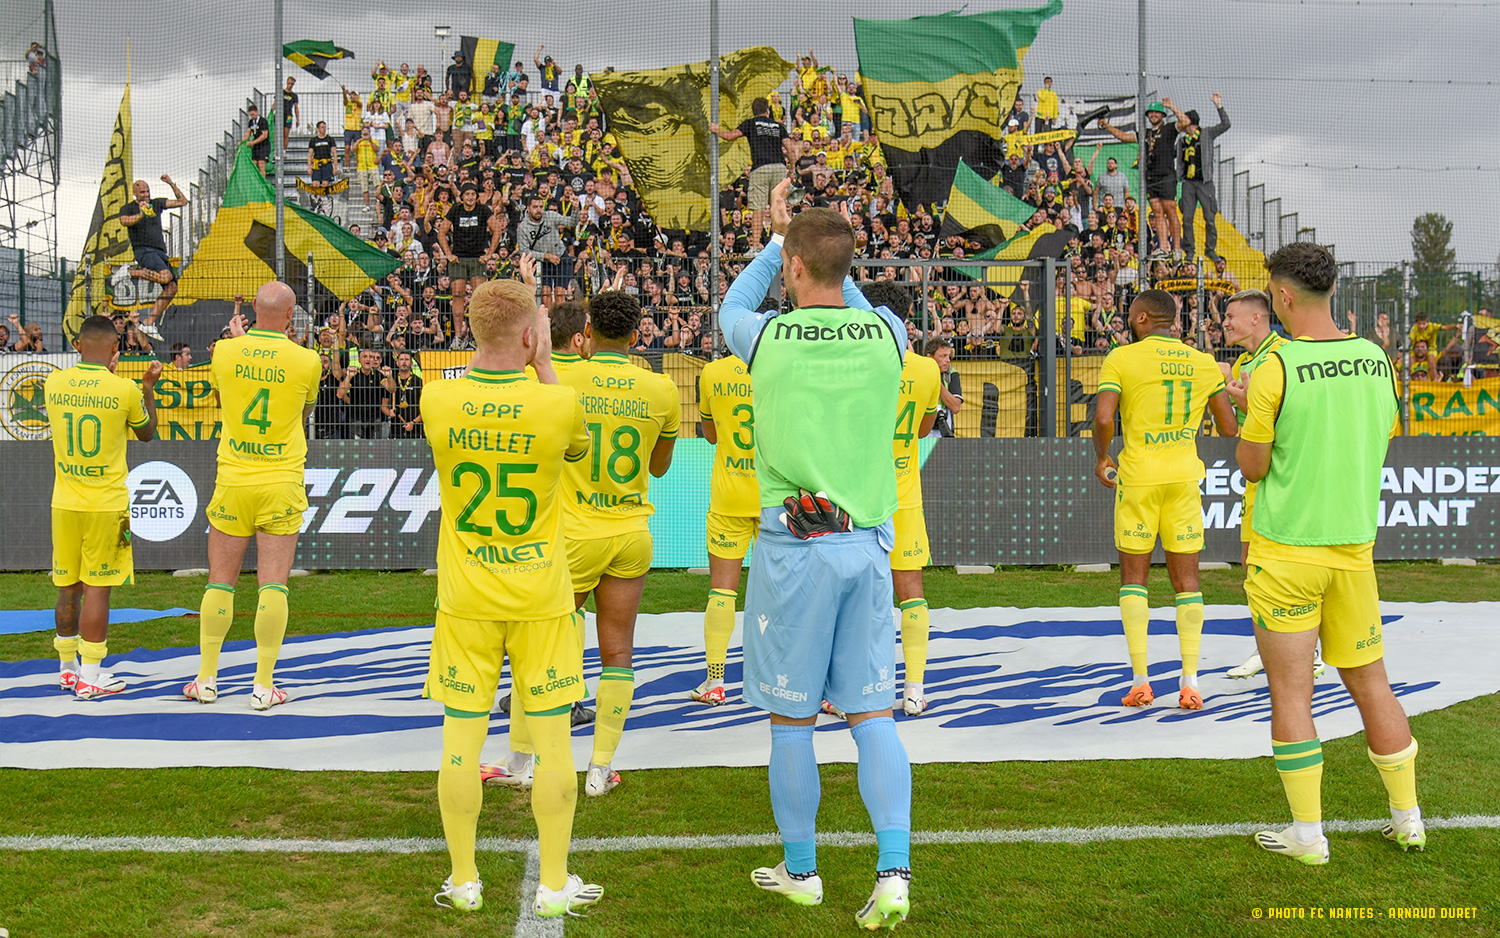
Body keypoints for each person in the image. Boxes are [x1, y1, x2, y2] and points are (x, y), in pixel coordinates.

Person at [719, 180, 913, 929]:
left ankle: (803, 871)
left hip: (792, 551)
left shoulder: (765, 336)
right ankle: (893, 870)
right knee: (872, 715)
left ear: (794, 269)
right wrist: (826, 253)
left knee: (792, 725)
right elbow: (848, 296)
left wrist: (775, 239)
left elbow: (731, 305)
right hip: (867, 549)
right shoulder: (888, 332)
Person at [419, 260, 604, 917]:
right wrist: (546, 362)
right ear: (532, 336)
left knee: (460, 743)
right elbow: (578, 453)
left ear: (472, 329)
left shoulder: (435, 397)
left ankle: (464, 879)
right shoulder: (557, 402)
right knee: (554, 744)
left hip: (466, 600)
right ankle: (555, 881)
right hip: (541, 599)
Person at [1235, 242, 1424, 864]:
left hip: (1286, 551)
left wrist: (1248, 415)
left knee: (1291, 696)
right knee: (1373, 684)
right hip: (1353, 550)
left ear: (1283, 297)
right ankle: (1409, 819)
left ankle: (1309, 837)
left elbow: (1254, 465)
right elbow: (1378, 435)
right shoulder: (1376, 359)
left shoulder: (1276, 367)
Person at [542, 290, 680, 797]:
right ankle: (600, 769)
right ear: (637, 336)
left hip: (574, 533)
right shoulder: (661, 389)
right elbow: (659, 468)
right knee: (618, 653)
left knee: (552, 647)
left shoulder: (562, 376)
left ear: (588, 334)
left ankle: (541, 758)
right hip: (630, 531)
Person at [1092, 289, 1238, 710]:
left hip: (1138, 480)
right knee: (1187, 583)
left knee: (1134, 580)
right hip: (1183, 480)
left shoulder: (1122, 358)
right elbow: (1228, 427)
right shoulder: (1203, 362)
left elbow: (1104, 417)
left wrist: (1103, 457)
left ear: (1140, 319)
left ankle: (1141, 682)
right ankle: (1190, 682)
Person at [184, 283, 321, 710]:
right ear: (291, 316)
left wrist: (240, 345)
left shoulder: (225, 351)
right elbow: (304, 413)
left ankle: (206, 679)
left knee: (219, 581)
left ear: (253, 312)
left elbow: (227, 398)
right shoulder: (307, 361)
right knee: (273, 585)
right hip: (280, 479)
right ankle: (263, 686)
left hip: (235, 478)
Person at [45, 315, 161, 699]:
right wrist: (147, 388)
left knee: (67, 586)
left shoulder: (53, 383)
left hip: (64, 503)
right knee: (98, 588)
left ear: (77, 345)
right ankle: (92, 675)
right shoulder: (123, 389)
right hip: (106, 505)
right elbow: (147, 435)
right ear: (116, 349)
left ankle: (67, 668)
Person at [1219, 290, 1327, 680]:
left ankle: (1309, 650)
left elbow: (1298, 416)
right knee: (1253, 565)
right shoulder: (1246, 362)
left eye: (1231, 315)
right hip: (1257, 476)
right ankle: (1271, 647)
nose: (1225, 322)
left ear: (1256, 319)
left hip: (1285, 476)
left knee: (1290, 564)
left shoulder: (1285, 355)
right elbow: (1239, 427)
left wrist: (1246, 403)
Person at [865, 280, 941, 716]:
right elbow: (924, 427)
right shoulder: (928, 369)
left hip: (859, 495)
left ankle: (854, 689)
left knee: (856, 598)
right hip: (903, 493)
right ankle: (914, 688)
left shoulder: (857, 362)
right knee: (911, 594)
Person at [689, 339, 759, 706]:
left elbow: (712, 435)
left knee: (722, 591)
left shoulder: (712, 373)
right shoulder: (785, 367)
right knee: (787, 595)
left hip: (730, 495)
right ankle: (783, 678)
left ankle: (716, 680)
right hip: (776, 496)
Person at [1101, 99, 1189, 259]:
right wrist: (1107, 126)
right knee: (1157, 212)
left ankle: (1177, 247)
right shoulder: (1145, 133)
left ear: (1162, 114)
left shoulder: (1169, 128)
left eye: (1157, 112)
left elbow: (1185, 121)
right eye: (1151, 112)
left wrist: (1171, 106)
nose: (1153, 115)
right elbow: (1124, 137)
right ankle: (1163, 247)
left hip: (1167, 175)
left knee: (1170, 211)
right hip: (1151, 177)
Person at [708, 97, 795, 253]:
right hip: (779, 167)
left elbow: (730, 136)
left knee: (758, 208)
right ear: (768, 110)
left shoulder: (750, 123)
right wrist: (792, 168)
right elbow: (791, 149)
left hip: (760, 168)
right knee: (779, 206)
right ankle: (783, 244)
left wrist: (715, 129)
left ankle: (755, 246)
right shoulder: (778, 126)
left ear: (754, 112)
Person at [119, 176, 188, 342]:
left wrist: (171, 183)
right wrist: (141, 214)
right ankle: (131, 272)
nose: (146, 194)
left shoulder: (156, 204)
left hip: (160, 252)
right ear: (135, 194)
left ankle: (149, 322)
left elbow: (182, 201)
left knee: (171, 287)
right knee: (166, 276)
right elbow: (124, 221)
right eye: (142, 192)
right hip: (144, 250)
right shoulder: (128, 208)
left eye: (148, 191)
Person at [437, 186, 503, 339]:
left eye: (473, 194)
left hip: (477, 258)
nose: (470, 197)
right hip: (458, 259)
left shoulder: (483, 210)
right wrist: (448, 254)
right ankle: (459, 335)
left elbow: (497, 230)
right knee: (457, 295)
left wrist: (490, 253)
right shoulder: (455, 210)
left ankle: (477, 334)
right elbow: (441, 232)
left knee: (479, 296)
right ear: (462, 197)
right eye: (467, 194)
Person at [1177, 94, 1230, 263]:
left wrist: (1219, 106)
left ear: (1190, 122)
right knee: (1187, 218)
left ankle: (1210, 249)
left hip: (1205, 182)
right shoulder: (1182, 141)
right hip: (1188, 183)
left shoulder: (1207, 133)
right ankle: (1189, 251)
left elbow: (1226, 125)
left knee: (1210, 217)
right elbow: (1178, 159)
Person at [382, 350, 423, 438]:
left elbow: (424, 408)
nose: (404, 362)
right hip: (396, 428)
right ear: (397, 363)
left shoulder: (419, 382)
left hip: (415, 427)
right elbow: (384, 405)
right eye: (401, 359)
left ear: (412, 363)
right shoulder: (391, 381)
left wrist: (414, 422)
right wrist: (389, 412)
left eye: (407, 360)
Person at [926, 338, 962, 437]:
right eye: (943, 356)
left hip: (943, 429)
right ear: (930, 357)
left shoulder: (951, 374)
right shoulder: (920, 373)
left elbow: (956, 407)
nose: (948, 360)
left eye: (949, 356)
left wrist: (936, 380)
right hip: (923, 428)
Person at [307, 121, 338, 187]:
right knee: (315, 184)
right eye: (322, 127)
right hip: (316, 165)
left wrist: (335, 167)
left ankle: (324, 197)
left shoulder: (330, 139)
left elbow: (334, 153)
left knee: (325, 184)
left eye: (325, 127)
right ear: (318, 129)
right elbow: (310, 155)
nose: (324, 129)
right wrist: (309, 167)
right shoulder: (313, 140)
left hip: (327, 164)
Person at [244, 103, 271, 175]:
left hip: (264, 146)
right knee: (254, 164)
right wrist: (242, 142)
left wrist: (253, 142)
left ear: (257, 112)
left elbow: (265, 135)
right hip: (256, 147)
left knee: (261, 164)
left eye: (253, 114)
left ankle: (262, 184)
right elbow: (248, 133)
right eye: (251, 115)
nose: (252, 116)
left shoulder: (263, 121)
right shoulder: (251, 122)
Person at [281, 76, 299, 149]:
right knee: (278, 134)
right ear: (286, 82)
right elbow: (275, 103)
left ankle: (284, 151)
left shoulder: (294, 95)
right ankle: (276, 151)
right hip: (280, 115)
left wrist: (298, 119)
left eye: (292, 84)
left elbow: (296, 107)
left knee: (286, 134)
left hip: (288, 115)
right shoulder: (281, 92)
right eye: (289, 83)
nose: (290, 85)